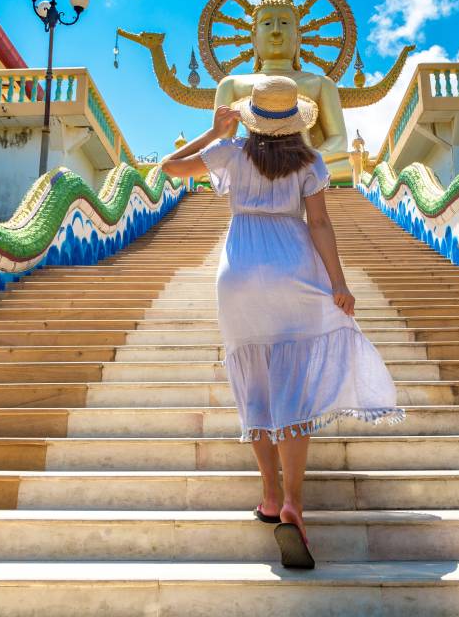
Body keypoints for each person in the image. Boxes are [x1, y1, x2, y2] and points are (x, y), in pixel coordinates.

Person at [161, 75, 403, 570]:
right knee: (293, 387)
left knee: (257, 387)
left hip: (240, 271)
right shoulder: (310, 162)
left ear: (253, 117)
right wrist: (340, 283)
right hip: (294, 267)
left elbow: (169, 167)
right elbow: (320, 224)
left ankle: (269, 497)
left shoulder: (230, 153)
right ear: (295, 122)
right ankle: (293, 503)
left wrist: (213, 131)